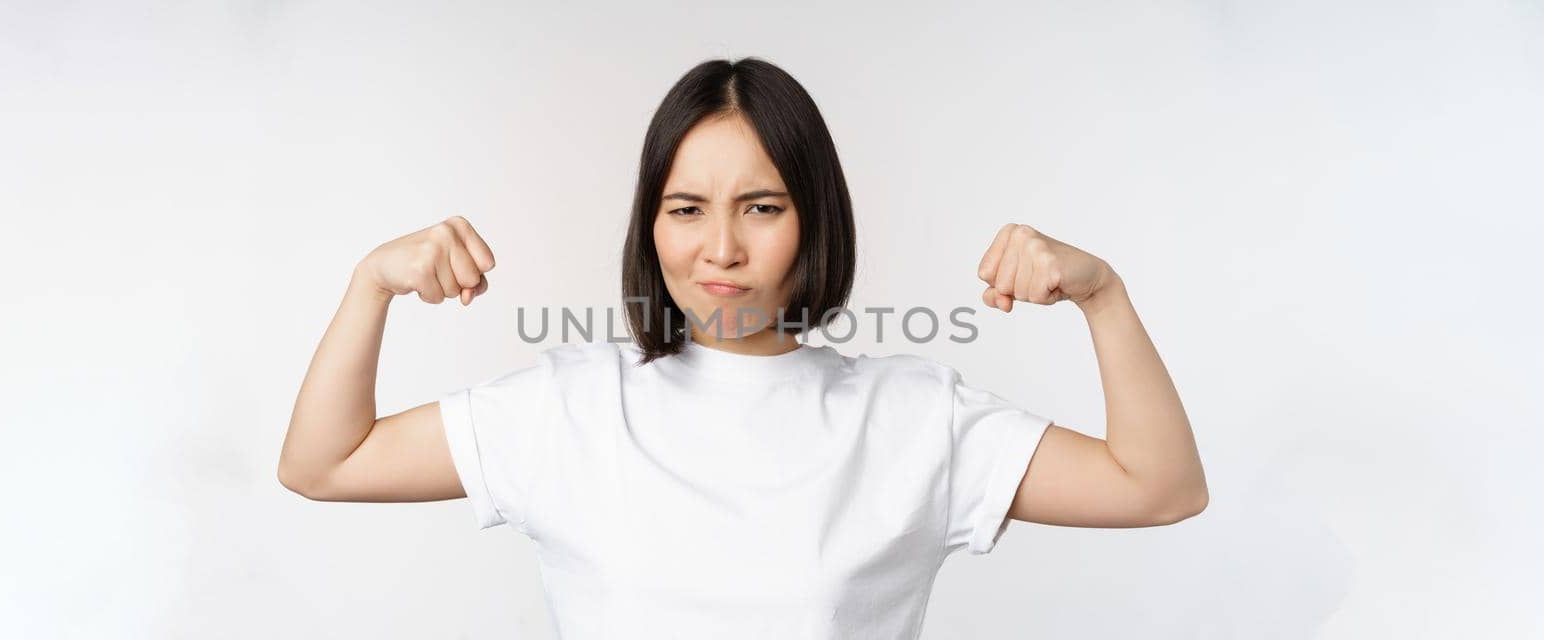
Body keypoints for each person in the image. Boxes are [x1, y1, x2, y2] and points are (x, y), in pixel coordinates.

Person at [278, 57, 1208, 638]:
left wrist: (1105, 297)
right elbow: (325, 463)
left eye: (761, 207)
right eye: (686, 210)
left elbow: (1158, 489)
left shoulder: (915, 418)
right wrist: (371, 285)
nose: (720, 248)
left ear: (815, 221)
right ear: (652, 226)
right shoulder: (570, 407)